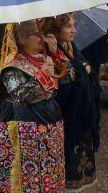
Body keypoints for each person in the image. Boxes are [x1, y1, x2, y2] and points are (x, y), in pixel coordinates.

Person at [0, 20, 66, 191]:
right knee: (21, 172)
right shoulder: (12, 65)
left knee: (47, 168)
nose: (41, 36)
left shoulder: (45, 57)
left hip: (48, 121)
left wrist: (56, 54)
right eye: (35, 33)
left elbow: (70, 77)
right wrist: (42, 76)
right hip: (21, 121)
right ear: (22, 39)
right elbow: (20, 94)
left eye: (40, 31)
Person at [40, 14, 100, 190]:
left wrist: (82, 69)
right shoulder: (49, 50)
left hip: (81, 111)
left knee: (82, 152)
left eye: (73, 26)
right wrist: (81, 69)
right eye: (69, 27)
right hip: (67, 114)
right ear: (56, 30)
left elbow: (82, 69)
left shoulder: (70, 45)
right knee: (68, 155)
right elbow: (66, 79)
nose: (74, 30)